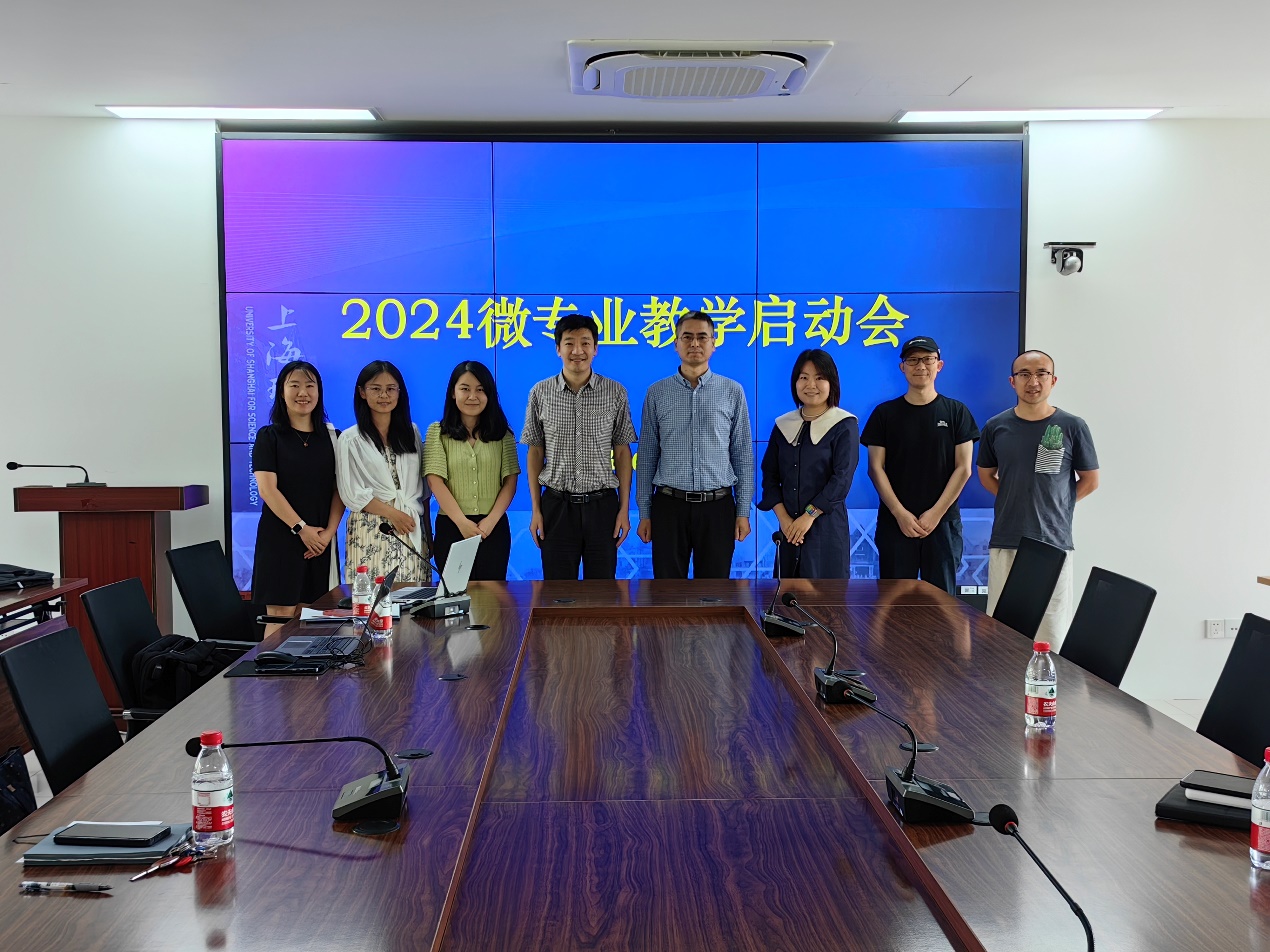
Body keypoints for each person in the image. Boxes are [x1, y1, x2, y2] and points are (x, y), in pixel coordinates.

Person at [977, 349, 1099, 645]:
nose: (1033, 381)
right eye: (1024, 374)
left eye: (1041, 374)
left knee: (1051, 633)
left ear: (1053, 380)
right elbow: (986, 475)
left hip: (1053, 542)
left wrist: (1056, 504)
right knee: (1002, 634)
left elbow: (1090, 480)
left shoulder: (1073, 426)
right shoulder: (995, 426)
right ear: (1012, 381)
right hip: (1007, 538)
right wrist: (1015, 497)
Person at [636, 311, 753, 578]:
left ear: (714, 342)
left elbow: (742, 455)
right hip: (669, 506)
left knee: (714, 592)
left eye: (702, 337)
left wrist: (743, 511)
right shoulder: (657, 392)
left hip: (718, 507)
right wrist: (645, 512)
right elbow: (647, 457)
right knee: (667, 592)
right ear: (676, 343)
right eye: (687, 337)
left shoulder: (732, 391)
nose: (695, 344)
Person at [860, 336, 979, 595]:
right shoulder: (884, 414)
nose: (920, 366)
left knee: (942, 602)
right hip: (895, 523)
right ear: (902, 367)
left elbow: (964, 468)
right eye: (912, 360)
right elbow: (875, 468)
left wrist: (936, 513)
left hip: (943, 523)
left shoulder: (957, 412)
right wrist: (899, 513)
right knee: (892, 603)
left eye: (927, 359)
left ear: (939, 365)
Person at [521, 313, 636, 580]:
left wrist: (623, 509)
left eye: (585, 343)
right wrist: (536, 510)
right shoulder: (540, 392)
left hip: (602, 507)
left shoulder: (615, 392)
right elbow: (535, 451)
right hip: (556, 507)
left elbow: (622, 452)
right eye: (569, 343)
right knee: (558, 593)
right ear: (558, 349)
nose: (577, 351)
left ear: (595, 349)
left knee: (602, 592)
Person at [251, 360, 345, 617]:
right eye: (294, 385)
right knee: (280, 615)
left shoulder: (334, 438)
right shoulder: (269, 437)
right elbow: (268, 490)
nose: (303, 392)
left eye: (310, 386)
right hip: (281, 538)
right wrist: (301, 529)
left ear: (319, 392)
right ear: (282, 392)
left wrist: (328, 534)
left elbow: (340, 490)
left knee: (315, 616)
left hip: (320, 542)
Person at [757, 349, 858, 579]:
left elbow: (842, 479)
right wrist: (785, 521)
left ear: (832, 383)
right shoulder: (783, 425)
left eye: (820, 377)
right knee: (785, 596)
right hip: (789, 531)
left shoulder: (844, 424)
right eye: (804, 377)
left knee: (825, 598)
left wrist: (808, 517)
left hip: (826, 531)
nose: (811, 384)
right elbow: (769, 476)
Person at [335, 360, 431, 584]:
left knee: (414, 597)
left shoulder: (412, 432)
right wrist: (393, 514)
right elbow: (351, 493)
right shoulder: (350, 438)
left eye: (390, 389)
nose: (384, 395)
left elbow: (423, 489)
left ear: (400, 392)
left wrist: (428, 532)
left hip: (411, 527)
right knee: (372, 600)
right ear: (362, 392)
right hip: (371, 529)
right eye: (376, 389)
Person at [423, 360, 519, 581]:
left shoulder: (503, 434)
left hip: (493, 528)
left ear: (489, 394)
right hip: (452, 526)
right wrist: (461, 522)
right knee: (454, 593)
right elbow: (435, 481)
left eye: (480, 390)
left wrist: (491, 521)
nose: (472, 396)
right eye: (465, 389)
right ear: (453, 393)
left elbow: (510, 481)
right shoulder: (437, 432)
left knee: (493, 595)